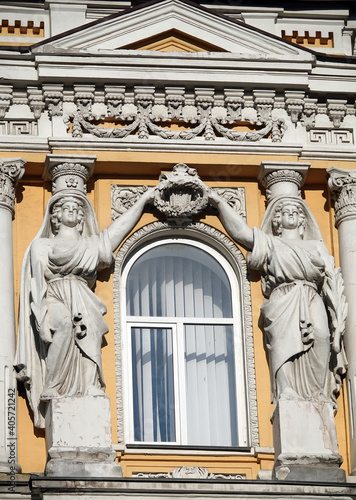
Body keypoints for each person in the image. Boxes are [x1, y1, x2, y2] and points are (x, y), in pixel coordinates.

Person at [15, 188, 154, 428]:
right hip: (55, 295)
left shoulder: (90, 245)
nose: (71, 210)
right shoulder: (42, 245)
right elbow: (36, 285)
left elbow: (114, 234)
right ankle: (53, 386)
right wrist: (41, 323)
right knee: (65, 325)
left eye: (75, 208)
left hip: (82, 295)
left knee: (89, 336)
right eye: (65, 207)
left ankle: (89, 385)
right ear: (55, 216)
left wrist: (142, 202)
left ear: (81, 217)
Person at [208, 190, 347, 406]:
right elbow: (241, 232)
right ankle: (287, 391)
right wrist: (218, 203)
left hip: (311, 295)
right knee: (283, 343)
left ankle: (317, 392)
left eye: (296, 211)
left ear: (302, 220)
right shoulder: (271, 243)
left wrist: (338, 326)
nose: (291, 213)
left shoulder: (316, 246)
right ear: (277, 220)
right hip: (283, 297)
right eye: (285, 211)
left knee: (320, 336)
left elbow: (332, 283)